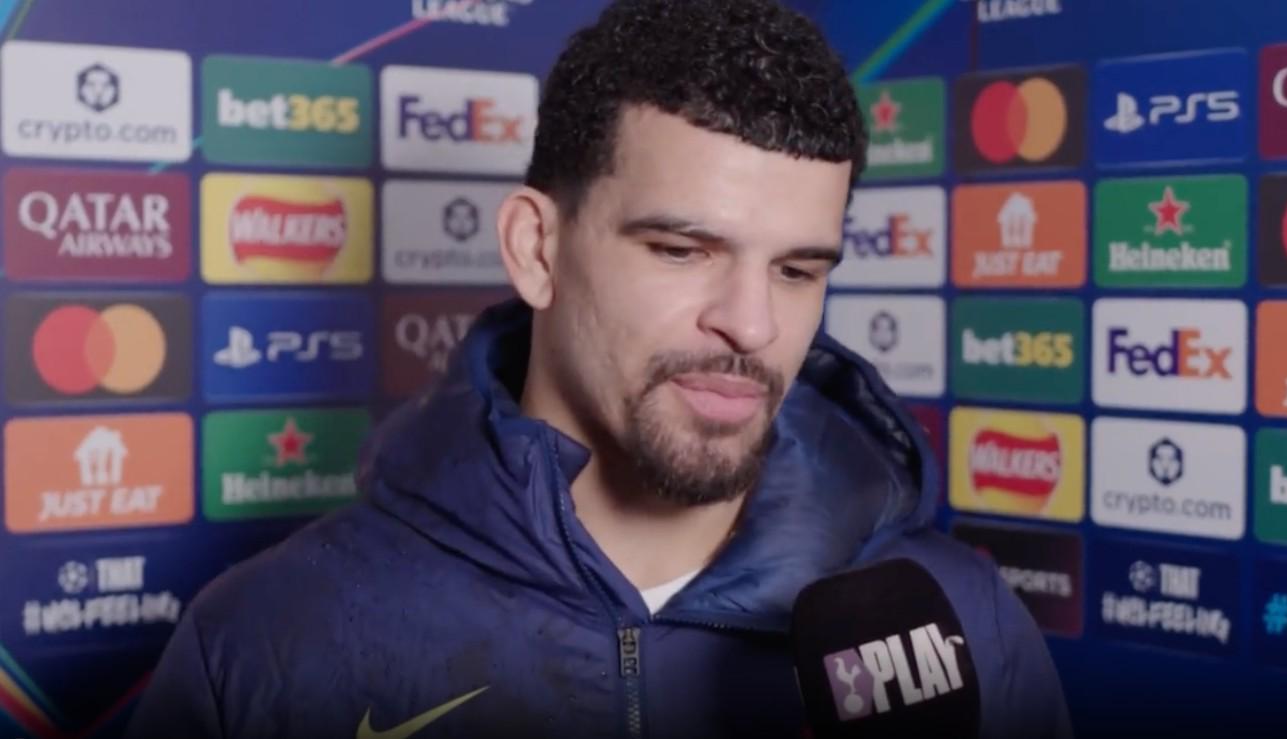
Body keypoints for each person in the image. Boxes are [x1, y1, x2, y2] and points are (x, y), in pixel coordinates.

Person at [128, 1, 1072, 737]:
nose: (751, 324)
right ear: (536, 249)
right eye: (681, 250)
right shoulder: (266, 641)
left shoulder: (961, 626)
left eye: (796, 270)